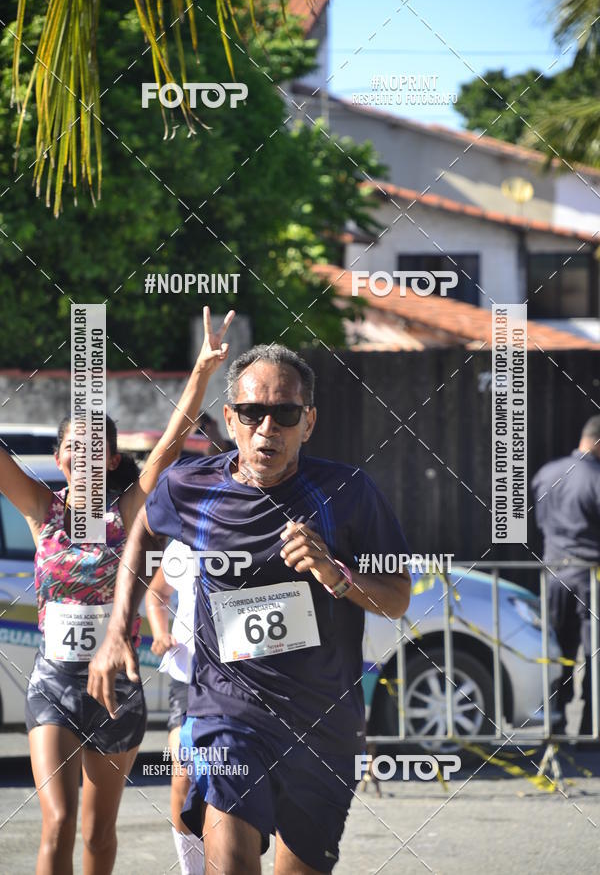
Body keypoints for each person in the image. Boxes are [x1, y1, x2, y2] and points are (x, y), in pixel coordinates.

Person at [88, 343, 412, 874]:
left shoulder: (349, 493)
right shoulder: (191, 486)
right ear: (232, 420)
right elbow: (141, 533)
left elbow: (398, 598)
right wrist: (118, 631)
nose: (268, 428)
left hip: (322, 722)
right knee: (231, 862)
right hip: (227, 712)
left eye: (284, 413)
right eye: (252, 413)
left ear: (308, 422)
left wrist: (337, 574)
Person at [0, 306, 233, 875]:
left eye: (94, 447)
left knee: (99, 835)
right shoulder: (42, 511)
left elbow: (171, 445)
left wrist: (202, 370)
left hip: (116, 688)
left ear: (109, 460)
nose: (82, 456)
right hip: (53, 680)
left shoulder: (127, 513)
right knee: (55, 819)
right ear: (59, 458)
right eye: (71, 447)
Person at [532, 414, 600, 738]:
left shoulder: (547, 473)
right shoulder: (596, 477)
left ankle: (553, 726)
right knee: (594, 653)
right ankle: (591, 730)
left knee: (557, 651)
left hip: (554, 572)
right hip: (591, 576)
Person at [146, 539, 205, 874]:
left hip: (241, 678)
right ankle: (192, 869)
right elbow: (157, 593)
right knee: (182, 771)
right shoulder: (181, 545)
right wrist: (161, 633)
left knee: (235, 775)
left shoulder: (248, 529)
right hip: (188, 676)